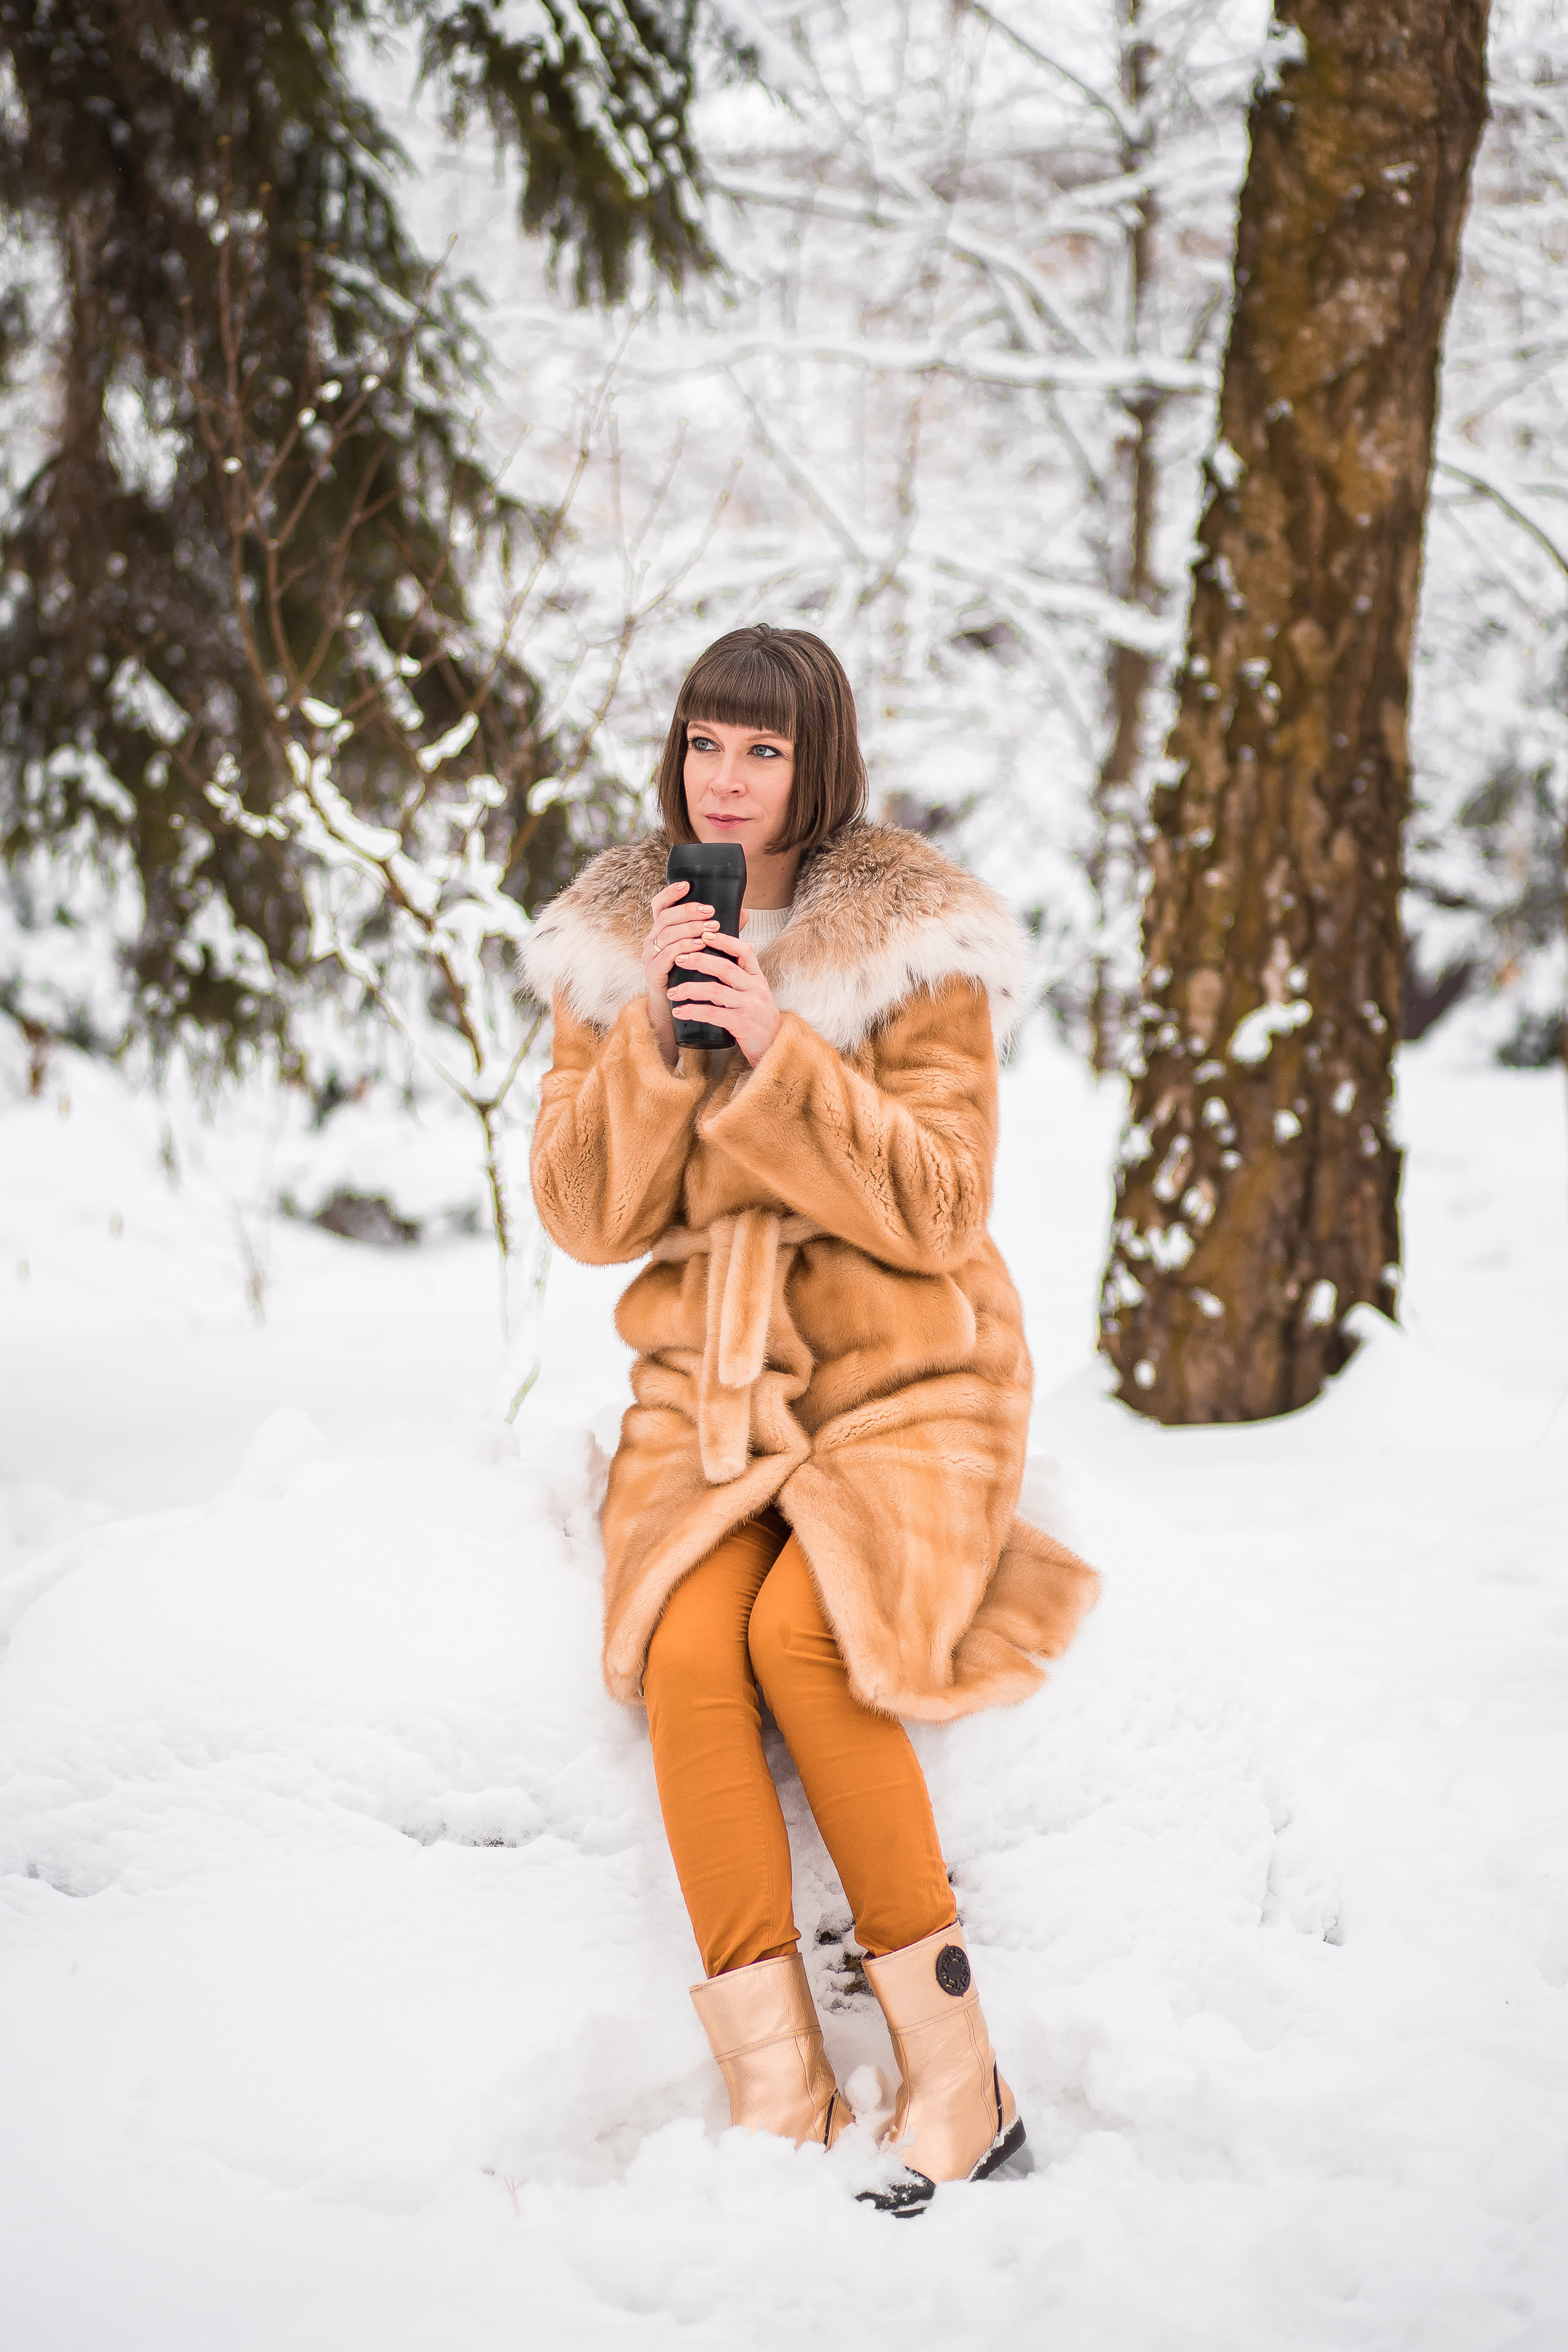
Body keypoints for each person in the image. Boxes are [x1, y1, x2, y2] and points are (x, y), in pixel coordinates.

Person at [520, 625, 1096, 2214]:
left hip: (908, 1374)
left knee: (805, 1634)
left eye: (763, 750)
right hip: (709, 1386)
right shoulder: (616, 942)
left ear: (817, 759)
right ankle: (778, 2093)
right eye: (706, 744)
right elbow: (585, 1217)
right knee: (689, 1648)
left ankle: (961, 2081)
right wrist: (656, 1035)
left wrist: (778, 1046)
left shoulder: (911, 941)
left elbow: (942, 1207)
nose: (727, 778)